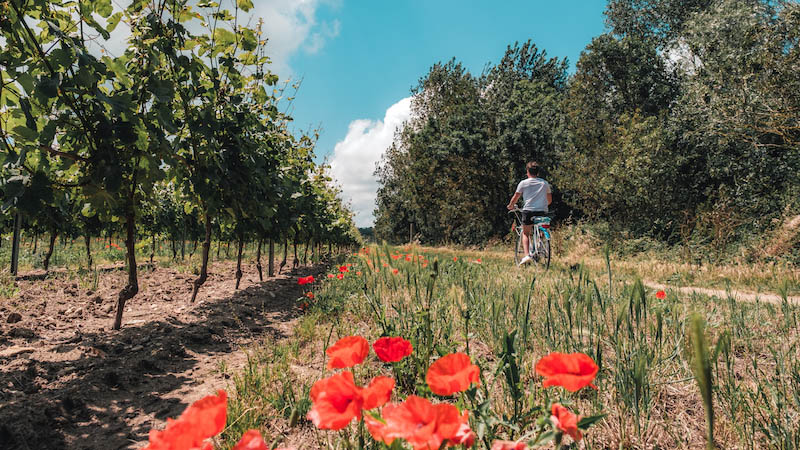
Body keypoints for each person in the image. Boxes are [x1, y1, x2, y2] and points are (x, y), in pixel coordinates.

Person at [506, 161, 552, 265]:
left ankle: (527, 255)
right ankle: (540, 245)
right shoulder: (544, 183)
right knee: (541, 227)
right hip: (542, 210)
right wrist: (543, 204)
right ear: (538, 172)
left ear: (527, 172)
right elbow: (549, 200)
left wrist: (511, 205)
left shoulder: (523, 183)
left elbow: (516, 197)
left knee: (526, 233)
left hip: (528, 211)